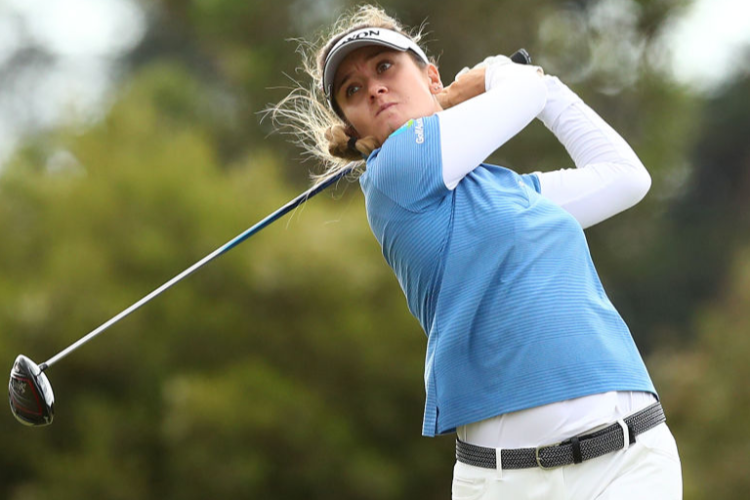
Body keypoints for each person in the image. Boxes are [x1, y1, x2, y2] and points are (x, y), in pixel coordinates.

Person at [270, 5, 682, 499]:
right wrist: (498, 76)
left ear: (430, 75)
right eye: (352, 90)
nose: (374, 88)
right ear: (358, 131)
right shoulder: (395, 173)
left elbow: (625, 177)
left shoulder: (510, 192)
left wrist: (546, 88)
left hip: (631, 457)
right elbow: (523, 91)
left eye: (384, 67)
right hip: (509, 482)